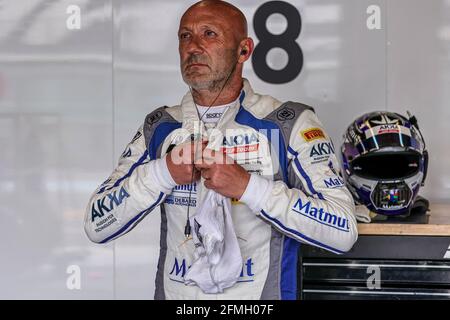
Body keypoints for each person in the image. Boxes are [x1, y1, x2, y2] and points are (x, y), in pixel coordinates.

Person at [84, 0, 358, 300]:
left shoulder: (288, 123)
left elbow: (342, 230)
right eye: (185, 36)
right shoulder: (161, 126)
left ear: (244, 50)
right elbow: (98, 224)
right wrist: (163, 173)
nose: (193, 46)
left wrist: (248, 187)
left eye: (210, 34)